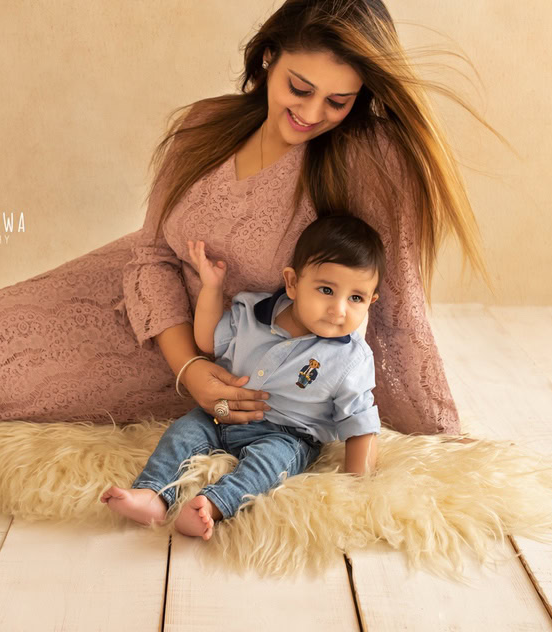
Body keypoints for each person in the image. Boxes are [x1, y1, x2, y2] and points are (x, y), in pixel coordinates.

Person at [0, 0, 497, 444]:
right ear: (266, 61)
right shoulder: (201, 126)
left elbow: (397, 308)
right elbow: (151, 253)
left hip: (229, 352)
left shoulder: (372, 161)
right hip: (140, 305)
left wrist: (438, 432)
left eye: (338, 100)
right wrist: (183, 366)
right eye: (299, 88)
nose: (314, 112)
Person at [101, 214, 385, 540]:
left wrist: (358, 491)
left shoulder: (351, 359)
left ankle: (213, 505)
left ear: (370, 302)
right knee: (184, 432)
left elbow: (360, 423)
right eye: (326, 290)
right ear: (292, 283)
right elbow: (207, 341)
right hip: (222, 415)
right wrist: (212, 288)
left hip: (288, 435)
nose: (339, 310)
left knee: (267, 466)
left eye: (356, 298)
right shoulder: (251, 313)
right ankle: (153, 495)